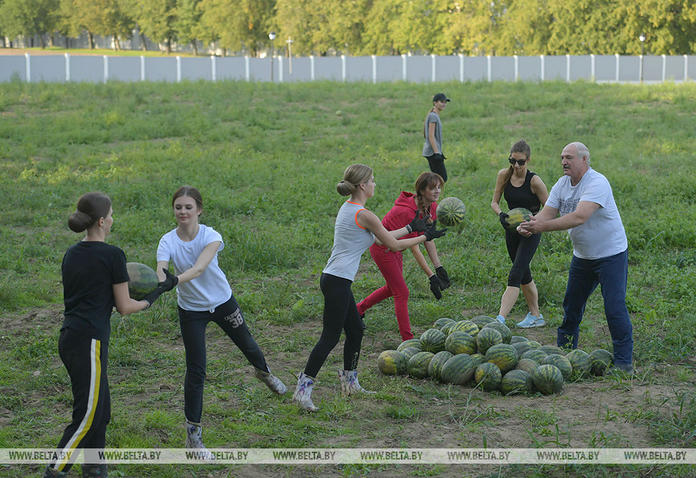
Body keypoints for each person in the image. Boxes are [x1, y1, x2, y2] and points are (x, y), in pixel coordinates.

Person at [293, 164, 446, 412]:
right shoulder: (365, 214)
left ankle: (350, 382)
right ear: (363, 185)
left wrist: (411, 229)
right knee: (329, 338)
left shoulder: (352, 209)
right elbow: (392, 246)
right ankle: (303, 390)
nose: (375, 184)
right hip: (337, 282)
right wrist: (425, 236)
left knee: (355, 331)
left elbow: (378, 237)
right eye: (372, 180)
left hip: (335, 280)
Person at [45, 192, 174, 478]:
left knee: (101, 410)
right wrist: (156, 293)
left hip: (71, 338)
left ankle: (94, 467)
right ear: (102, 221)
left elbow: (97, 296)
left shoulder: (72, 253)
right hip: (88, 342)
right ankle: (55, 470)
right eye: (112, 215)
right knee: (88, 416)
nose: (113, 219)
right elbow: (125, 306)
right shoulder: (112, 255)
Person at [155, 186, 287, 457]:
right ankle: (193, 436)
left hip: (222, 302)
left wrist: (174, 281)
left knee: (248, 346)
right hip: (191, 310)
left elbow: (200, 267)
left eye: (188, 207)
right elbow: (161, 269)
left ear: (199, 210)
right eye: (178, 207)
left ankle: (264, 373)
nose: (183, 212)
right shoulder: (167, 240)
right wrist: (159, 281)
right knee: (196, 369)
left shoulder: (210, 235)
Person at [518, 142, 633, 373]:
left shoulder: (597, 183)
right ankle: (565, 355)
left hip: (611, 255)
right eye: (562, 157)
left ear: (584, 160)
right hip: (583, 257)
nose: (563, 162)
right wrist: (531, 225)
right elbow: (547, 213)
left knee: (614, 307)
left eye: (569, 157)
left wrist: (542, 227)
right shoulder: (562, 184)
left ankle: (623, 362)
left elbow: (579, 217)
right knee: (571, 306)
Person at [357, 171, 450, 341]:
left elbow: (428, 238)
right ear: (422, 191)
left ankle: (357, 310)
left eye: (439, 187)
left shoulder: (432, 207)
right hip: (383, 250)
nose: (437, 191)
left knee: (392, 289)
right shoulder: (406, 212)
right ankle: (408, 340)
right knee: (402, 292)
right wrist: (430, 276)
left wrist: (439, 267)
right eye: (432, 188)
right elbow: (415, 245)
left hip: (398, 248)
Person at [490, 139, 549, 327]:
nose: (516, 165)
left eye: (521, 162)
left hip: (531, 231)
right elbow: (494, 202)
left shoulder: (535, 181)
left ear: (528, 160)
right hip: (511, 230)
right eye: (512, 160)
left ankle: (500, 320)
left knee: (515, 274)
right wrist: (501, 214)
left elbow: (549, 208)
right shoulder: (504, 175)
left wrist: (532, 222)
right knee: (524, 274)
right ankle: (536, 315)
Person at [422, 93, 450, 182]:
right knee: (441, 178)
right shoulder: (433, 116)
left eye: (445, 102)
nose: (444, 104)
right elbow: (430, 135)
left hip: (433, 151)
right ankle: (430, 193)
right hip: (432, 153)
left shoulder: (433, 115)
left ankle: (433, 194)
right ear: (435, 103)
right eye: (442, 102)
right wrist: (437, 152)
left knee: (439, 179)